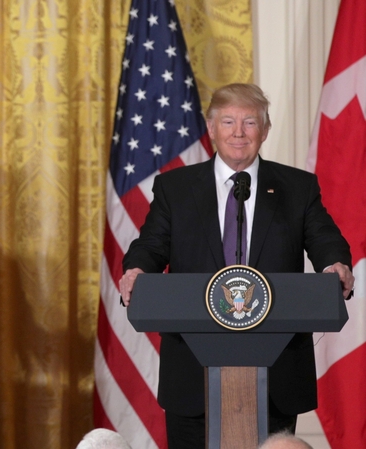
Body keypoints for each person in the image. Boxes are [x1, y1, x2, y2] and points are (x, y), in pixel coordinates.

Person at [118, 83, 354, 448]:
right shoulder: (175, 188)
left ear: (265, 130)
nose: (238, 133)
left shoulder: (297, 187)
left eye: (250, 122)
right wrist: (136, 270)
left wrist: (335, 264)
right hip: (191, 374)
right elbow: (151, 245)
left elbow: (325, 239)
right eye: (228, 122)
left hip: (276, 373)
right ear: (211, 128)